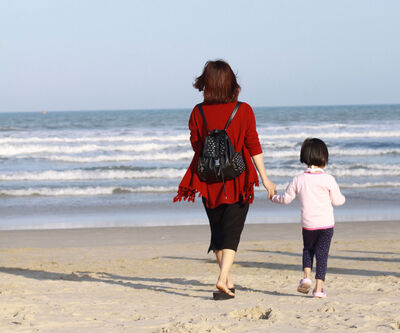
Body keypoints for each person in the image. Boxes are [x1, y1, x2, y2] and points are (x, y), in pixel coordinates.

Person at [174, 60, 276, 300]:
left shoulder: (197, 112)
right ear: (231, 83)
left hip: (208, 179)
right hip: (237, 178)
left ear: (207, 83)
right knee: (232, 232)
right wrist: (266, 179)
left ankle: (227, 282)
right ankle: (222, 279)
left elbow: (196, 144)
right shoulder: (244, 110)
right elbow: (253, 145)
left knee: (219, 232)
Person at [270, 138, 345, 298]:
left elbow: (286, 199)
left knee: (308, 250)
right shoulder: (328, 179)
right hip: (326, 225)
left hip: (308, 224)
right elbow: (338, 201)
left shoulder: (299, 179)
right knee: (322, 254)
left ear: (304, 157)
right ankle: (318, 288)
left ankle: (306, 277)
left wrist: (273, 197)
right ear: (324, 157)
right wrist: (342, 198)